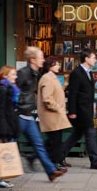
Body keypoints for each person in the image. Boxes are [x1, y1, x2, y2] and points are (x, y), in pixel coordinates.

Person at [16, 46, 67, 181]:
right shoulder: (23, 73)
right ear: (32, 60)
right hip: (18, 116)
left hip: (27, 116)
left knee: (39, 145)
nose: (43, 60)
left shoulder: (36, 74)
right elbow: (12, 91)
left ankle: (51, 172)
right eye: (41, 57)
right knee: (8, 144)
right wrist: (17, 107)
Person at [60, 48, 97, 170]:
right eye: (93, 57)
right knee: (90, 133)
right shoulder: (77, 73)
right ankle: (95, 161)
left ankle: (58, 156)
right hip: (80, 110)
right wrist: (72, 111)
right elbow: (72, 93)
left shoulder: (89, 72)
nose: (95, 60)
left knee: (76, 135)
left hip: (87, 109)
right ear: (86, 59)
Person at [0, 66, 21, 188]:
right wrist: (3, 130)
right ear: (5, 76)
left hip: (4, 126)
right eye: (13, 74)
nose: (15, 77)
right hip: (2, 128)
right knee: (2, 154)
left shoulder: (8, 88)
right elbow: (0, 111)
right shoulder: (3, 89)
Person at [37, 56, 72, 167]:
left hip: (55, 114)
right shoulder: (47, 78)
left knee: (54, 140)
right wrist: (57, 107)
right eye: (56, 64)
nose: (59, 66)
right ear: (50, 66)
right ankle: (53, 163)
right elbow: (47, 98)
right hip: (51, 114)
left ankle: (53, 160)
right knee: (55, 140)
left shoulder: (52, 77)